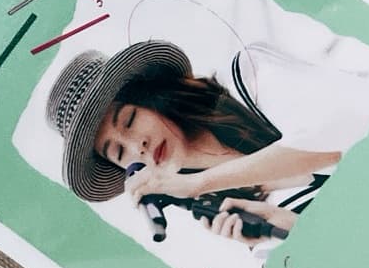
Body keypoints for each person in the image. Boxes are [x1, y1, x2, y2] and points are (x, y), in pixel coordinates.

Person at [45, 40, 353, 245]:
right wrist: (284, 228)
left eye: (129, 120)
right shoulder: (229, 208)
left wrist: (198, 183)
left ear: (152, 97)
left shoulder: (248, 77)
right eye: (118, 151)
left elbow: (340, 134)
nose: (137, 147)